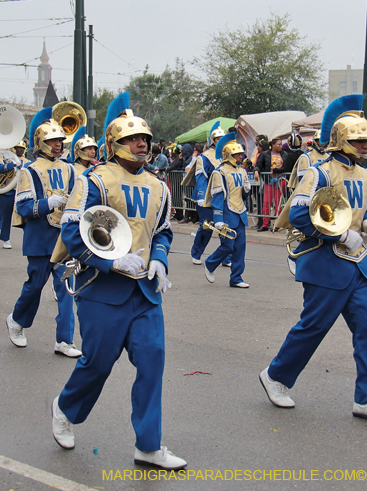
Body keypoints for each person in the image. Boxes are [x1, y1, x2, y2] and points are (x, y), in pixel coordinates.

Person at [51, 92, 186, 470]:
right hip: (102, 288)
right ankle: (64, 408)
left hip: (144, 291)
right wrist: (110, 263)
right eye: (132, 138)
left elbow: (163, 231)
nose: (141, 143)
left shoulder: (160, 186)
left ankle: (148, 445)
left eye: (145, 138)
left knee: (152, 361)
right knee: (98, 363)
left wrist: (159, 259)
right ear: (113, 143)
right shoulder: (95, 179)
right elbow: (73, 232)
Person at [260, 94, 367, 424]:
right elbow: (299, 214)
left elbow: (360, 210)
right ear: (341, 140)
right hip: (325, 263)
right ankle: (275, 376)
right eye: (359, 140)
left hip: (359, 264)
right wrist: (339, 235)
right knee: (314, 327)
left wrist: (366, 223)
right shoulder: (319, 173)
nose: (366, 145)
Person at [4, 107, 80, 357]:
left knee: (67, 288)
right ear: (40, 143)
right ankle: (16, 320)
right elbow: (23, 207)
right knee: (35, 286)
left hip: (64, 240)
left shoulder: (69, 169)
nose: (57, 145)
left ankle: (64, 340)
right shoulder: (29, 170)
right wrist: (49, 203)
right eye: (52, 140)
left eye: (59, 140)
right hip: (40, 238)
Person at [203, 132, 251, 288]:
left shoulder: (242, 171)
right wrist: (218, 219)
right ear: (229, 155)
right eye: (237, 155)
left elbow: (243, 196)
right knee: (228, 246)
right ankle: (210, 263)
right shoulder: (220, 172)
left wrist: (247, 190)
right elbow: (217, 197)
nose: (241, 157)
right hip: (226, 214)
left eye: (241, 154)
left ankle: (236, 278)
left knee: (240, 248)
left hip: (240, 213)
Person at [189, 122, 224, 264]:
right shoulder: (204, 157)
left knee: (225, 226)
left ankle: (225, 256)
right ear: (213, 140)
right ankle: (196, 253)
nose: (221, 141)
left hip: (222, 196)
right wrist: (201, 195)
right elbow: (201, 177)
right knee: (207, 226)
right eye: (218, 138)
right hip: (207, 196)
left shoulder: (228, 155)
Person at [0, 140, 30, 249]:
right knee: (6, 216)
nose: (21, 150)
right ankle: (6, 239)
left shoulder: (26, 161)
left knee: (26, 217)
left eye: (23, 148)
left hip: (21, 191)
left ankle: (28, 239)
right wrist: (10, 165)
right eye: (19, 148)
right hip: (8, 191)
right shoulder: (4, 156)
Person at [255, 138, 287, 231]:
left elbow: (287, 167)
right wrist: (256, 171)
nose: (280, 146)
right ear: (273, 145)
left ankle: (278, 224)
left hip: (280, 180)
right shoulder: (265, 154)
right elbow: (258, 165)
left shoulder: (284, 154)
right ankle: (265, 224)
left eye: (281, 144)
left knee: (278, 203)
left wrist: (278, 171)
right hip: (269, 180)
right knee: (266, 202)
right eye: (278, 144)